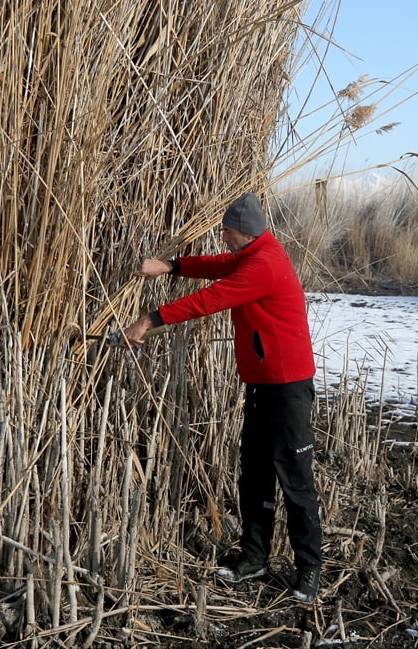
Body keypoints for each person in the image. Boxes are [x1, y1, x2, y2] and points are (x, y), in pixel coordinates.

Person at [121, 193, 323, 604]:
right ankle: (255, 558)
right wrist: (172, 266)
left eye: (226, 231)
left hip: (287, 389)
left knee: (295, 481)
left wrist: (149, 319)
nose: (223, 238)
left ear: (243, 232)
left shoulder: (264, 264)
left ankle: (309, 569)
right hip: (262, 384)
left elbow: (210, 299)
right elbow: (217, 265)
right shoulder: (254, 251)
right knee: (254, 474)